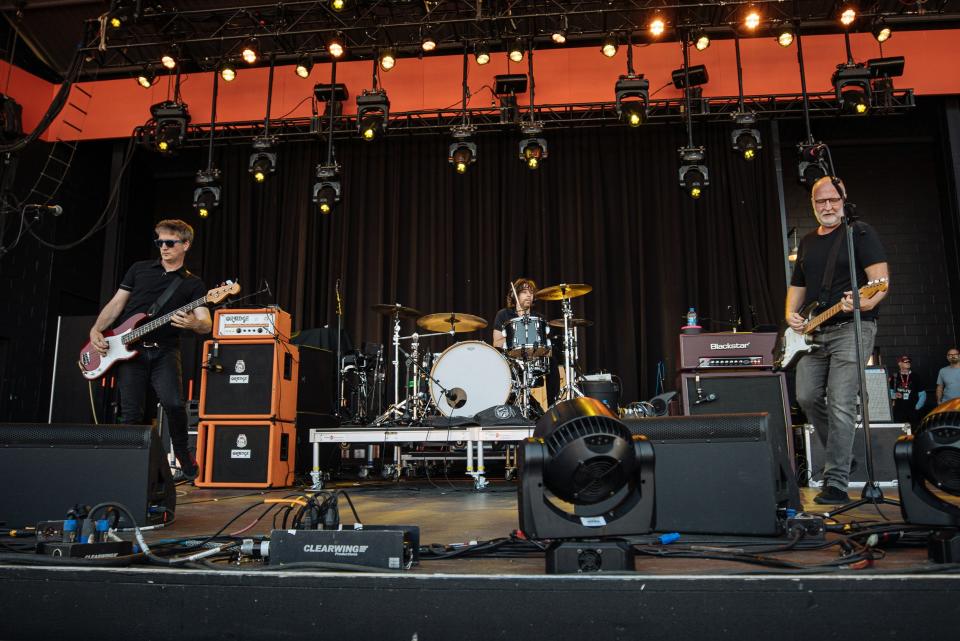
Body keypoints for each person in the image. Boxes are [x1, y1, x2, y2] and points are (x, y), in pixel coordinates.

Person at [786, 176, 889, 505]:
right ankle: (841, 456)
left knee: (842, 401)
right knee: (805, 395)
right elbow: (797, 287)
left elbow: (880, 283)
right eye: (820, 202)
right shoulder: (807, 242)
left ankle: (837, 482)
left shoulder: (860, 232)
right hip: (816, 332)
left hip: (852, 328)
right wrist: (791, 314)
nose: (827, 206)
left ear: (844, 200)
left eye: (832, 200)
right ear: (813, 205)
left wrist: (863, 301)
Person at [88, 219, 212, 481]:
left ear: (185, 245)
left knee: (173, 403)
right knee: (131, 412)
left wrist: (193, 323)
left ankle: (182, 452)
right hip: (128, 349)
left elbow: (206, 323)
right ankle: (129, 466)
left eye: (170, 242)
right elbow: (116, 305)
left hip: (165, 351)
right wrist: (96, 330)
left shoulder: (193, 284)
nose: (163, 247)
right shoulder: (139, 269)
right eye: (159, 242)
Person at [889, 355, 926, 430]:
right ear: (899, 363)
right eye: (905, 361)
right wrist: (894, 395)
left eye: (909, 361)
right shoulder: (894, 376)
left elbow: (923, 394)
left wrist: (917, 407)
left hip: (913, 411)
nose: (908, 362)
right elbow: (889, 393)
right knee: (899, 431)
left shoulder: (916, 376)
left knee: (915, 430)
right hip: (898, 411)